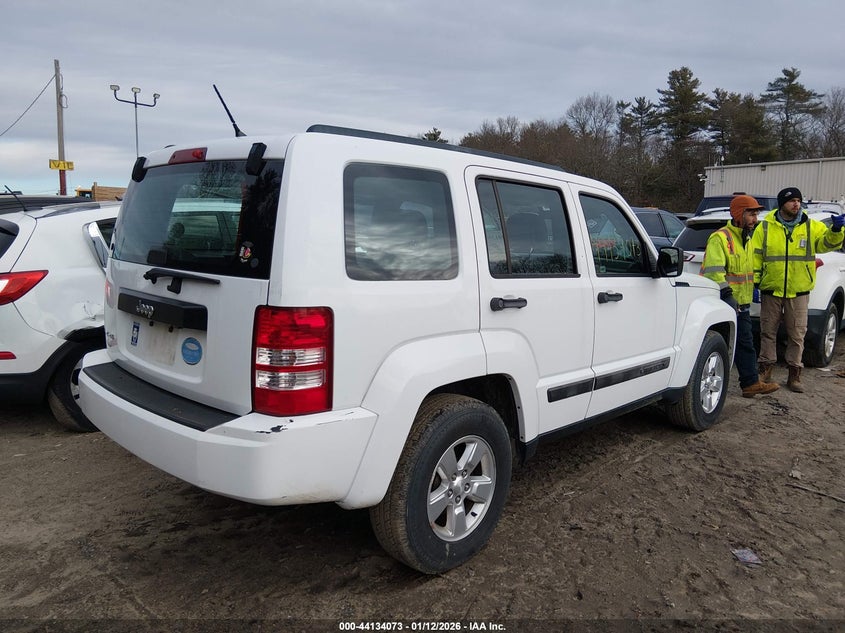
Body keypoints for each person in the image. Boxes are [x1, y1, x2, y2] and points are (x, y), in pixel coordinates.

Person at [752, 187, 845, 392]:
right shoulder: (765, 227)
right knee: (767, 333)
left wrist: (836, 231)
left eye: (798, 200)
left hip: (799, 291)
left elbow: (826, 243)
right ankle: (765, 369)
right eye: (791, 200)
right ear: (781, 203)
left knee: (797, 335)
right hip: (772, 290)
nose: (796, 204)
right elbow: (756, 256)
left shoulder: (811, 226)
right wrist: (756, 283)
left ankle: (794, 375)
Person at [701, 195, 779, 397]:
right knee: (721, 348)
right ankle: (713, 388)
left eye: (756, 214)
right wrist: (728, 295)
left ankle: (750, 383)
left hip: (741, 303)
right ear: (738, 214)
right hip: (724, 304)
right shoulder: (721, 238)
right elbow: (713, 272)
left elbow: (745, 271)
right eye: (751, 214)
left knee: (745, 344)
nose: (755, 218)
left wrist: (752, 287)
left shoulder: (747, 239)